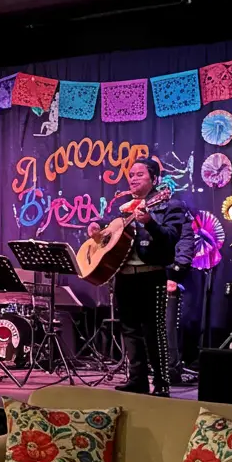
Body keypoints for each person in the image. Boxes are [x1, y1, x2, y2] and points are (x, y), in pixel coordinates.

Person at [87, 157, 186, 397]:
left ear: (154, 179)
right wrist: (96, 227)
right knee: (129, 330)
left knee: (154, 331)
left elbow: (171, 238)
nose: (132, 178)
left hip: (151, 276)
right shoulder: (122, 208)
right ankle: (137, 380)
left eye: (139, 174)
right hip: (124, 276)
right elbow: (111, 229)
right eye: (130, 175)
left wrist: (150, 223)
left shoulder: (169, 205)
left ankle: (162, 383)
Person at [166, 205, 197, 387]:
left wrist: (176, 272)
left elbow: (186, 243)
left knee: (170, 325)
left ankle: (172, 370)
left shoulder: (179, 213)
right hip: (145, 274)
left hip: (171, 274)